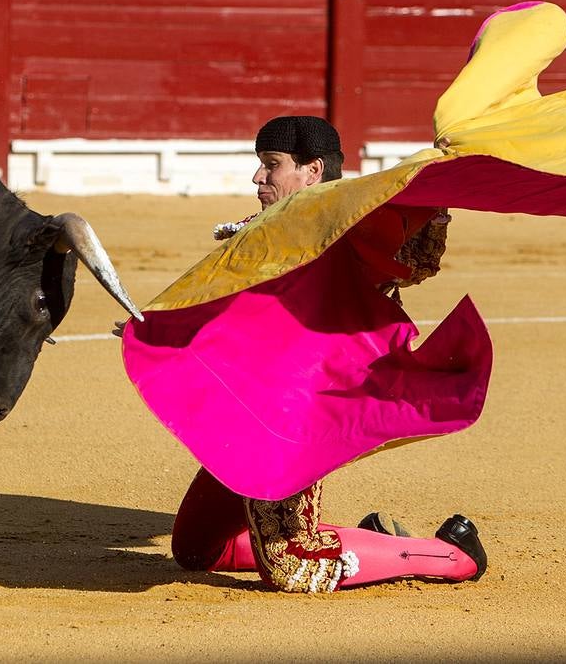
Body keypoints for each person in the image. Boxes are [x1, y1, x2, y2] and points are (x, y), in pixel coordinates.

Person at [169, 115, 485, 594]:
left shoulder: (352, 229)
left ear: (312, 171)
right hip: (246, 412)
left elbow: (417, 261)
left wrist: (435, 175)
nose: (258, 178)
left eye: (271, 165)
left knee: (295, 570)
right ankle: (365, 541)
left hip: (298, 414)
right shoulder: (264, 231)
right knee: (198, 550)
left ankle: (453, 555)